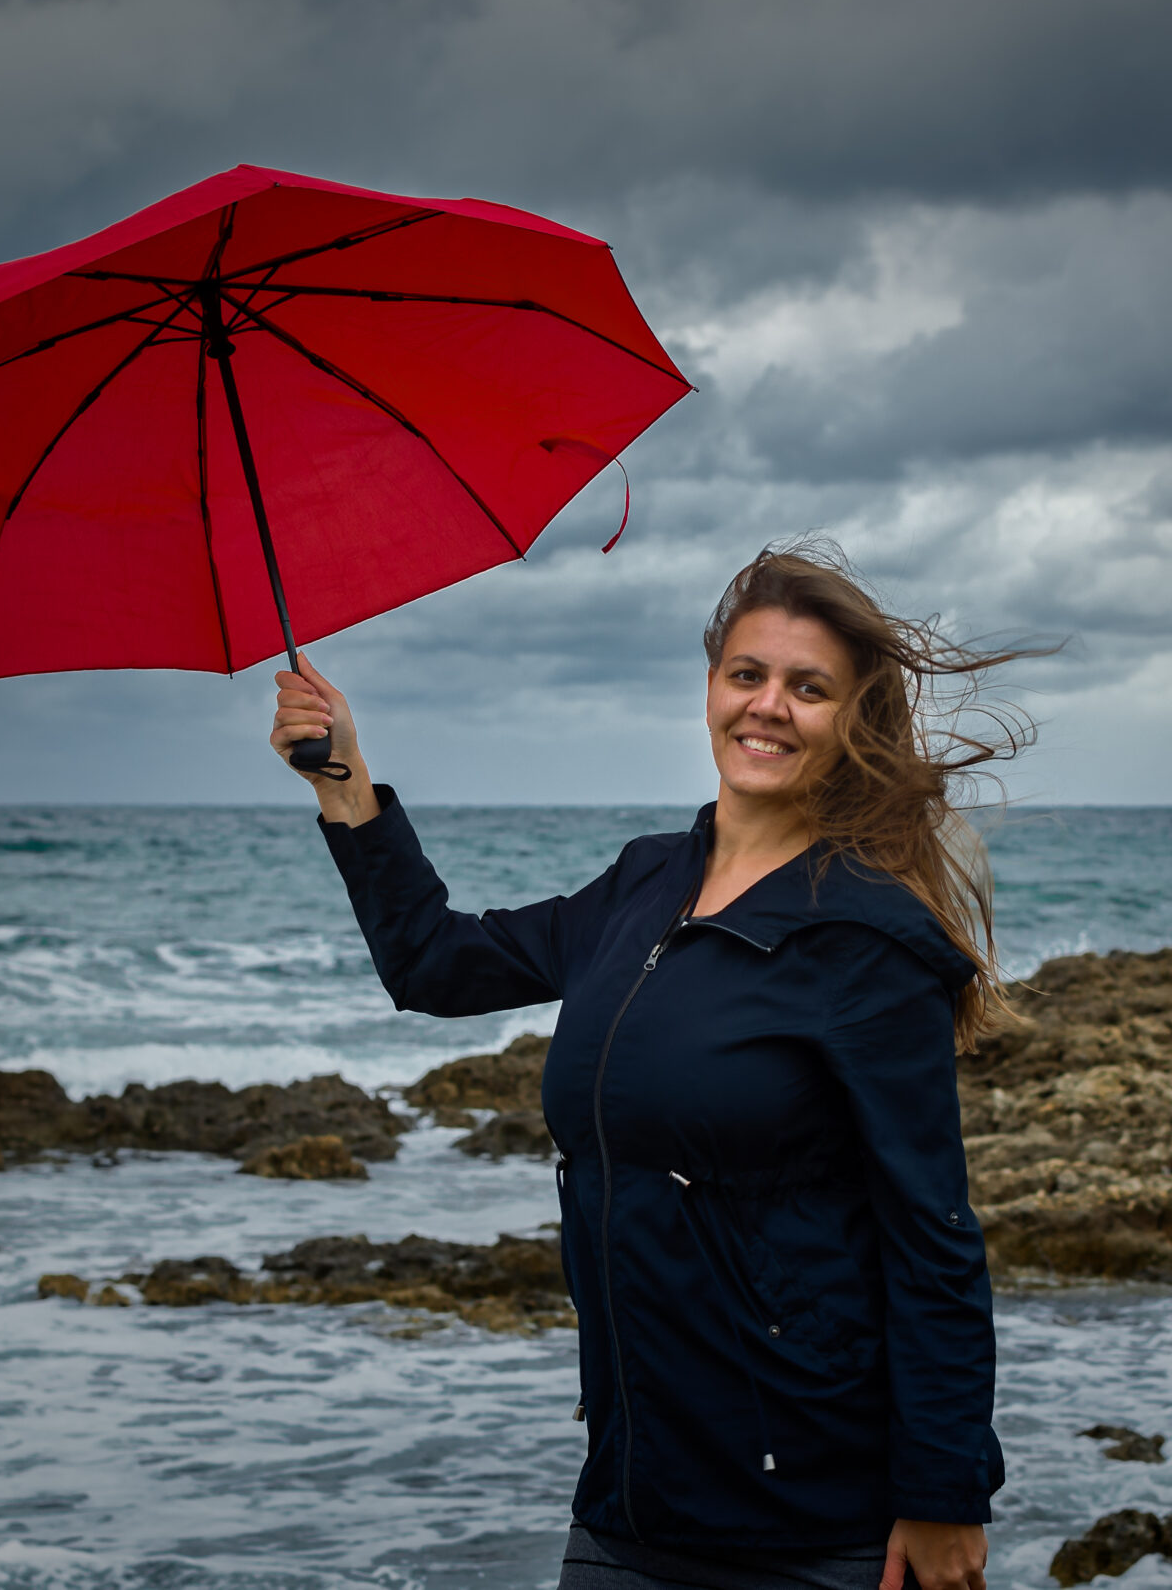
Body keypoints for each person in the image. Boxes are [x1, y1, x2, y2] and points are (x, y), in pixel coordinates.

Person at [271, 544, 1039, 1590]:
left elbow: (930, 1233)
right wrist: (342, 777)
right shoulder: (643, 884)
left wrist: (946, 1491)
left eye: (807, 688)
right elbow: (434, 963)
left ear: (851, 718)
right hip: (633, 1488)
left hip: (812, 1512)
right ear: (712, 687)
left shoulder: (865, 935)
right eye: (746, 675)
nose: (767, 707)